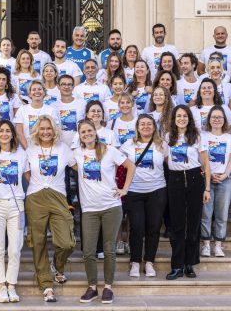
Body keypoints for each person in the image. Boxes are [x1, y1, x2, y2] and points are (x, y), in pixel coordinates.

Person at [73, 119, 134, 304]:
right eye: (83, 132)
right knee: (89, 251)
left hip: (111, 206)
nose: (87, 134)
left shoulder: (108, 150)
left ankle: (108, 287)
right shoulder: (76, 153)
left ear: (95, 131)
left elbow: (130, 166)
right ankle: (92, 287)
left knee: (109, 250)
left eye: (89, 130)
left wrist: (125, 189)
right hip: (89, 209)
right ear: (80, 136)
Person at [23, 116, 76, 303]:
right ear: (37, 130)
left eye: (49, 128)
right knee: (38, 242)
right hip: (35, 197)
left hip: (58, 196)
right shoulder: (30, 150)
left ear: (55, 130)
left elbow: (78, 167)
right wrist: (38, 184)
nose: (46, 132)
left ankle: (57, 265)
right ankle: (46, 284)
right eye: (42, 128)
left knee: (67, 242)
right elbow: (25, 171)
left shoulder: (63, 149)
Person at [0, 120, 28, 303]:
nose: (4, 134)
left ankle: (12, 285)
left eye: (8, 131)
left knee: (15, 248)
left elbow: (28, 177)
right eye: (1, 131)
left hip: (17, 205)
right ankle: (2, 286)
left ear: (12, 134)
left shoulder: (21, 154)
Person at [165, 105, 211, 280]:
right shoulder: (168, 137)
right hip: (175, 179)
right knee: (177, 225)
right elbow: (167, 160)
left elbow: (206, 164)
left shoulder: (197, 137)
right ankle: (176, 265)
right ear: (174, 119)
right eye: (178, 116)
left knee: (193, 224)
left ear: (189, 118)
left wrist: (207, 188)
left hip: (194, 179)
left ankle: (189, 263)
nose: (182, 119)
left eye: (185, 116)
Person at [120, 114, 168, 278]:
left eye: (149, 124)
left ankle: (149, 262)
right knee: (137, 228)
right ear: (137, 127)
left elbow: (171, 165)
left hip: (157, 190)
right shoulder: (128, 144)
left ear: (154, 127)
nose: (146, 126)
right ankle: (135, 262)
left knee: (153, 228)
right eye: (142, 124)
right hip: (134, 191)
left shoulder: (162, 144)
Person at [199, 106, 231, 258]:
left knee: (222, 214)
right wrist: (207, 172)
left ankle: (218, 245)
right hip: (206, 180)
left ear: (224, 121)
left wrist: (226, 174)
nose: (216, 119)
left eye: (219, 117)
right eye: (213, 117)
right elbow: (200, 158)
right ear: (209, 119)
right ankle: (206, 245)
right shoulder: (203, 136)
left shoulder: (229, 138)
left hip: (224, 180)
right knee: (206, 214)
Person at [14, 81, 60, 148]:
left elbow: (55, 131)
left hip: (46, 148)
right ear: (29, 94)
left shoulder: (51, 110)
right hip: (27, 148)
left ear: (44, 92)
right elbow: (19, 133)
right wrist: (27, 149)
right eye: (34, 89)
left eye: (39, 89)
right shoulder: (22, 110)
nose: (37, 91)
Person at [53, 74, 86, 147]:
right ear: (58, 86)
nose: (66, 87)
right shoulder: (53, 107)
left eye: (69, 84)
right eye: (63, 84)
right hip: (59, 146)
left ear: (73, 86)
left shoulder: (82, 104)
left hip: (79, 145)